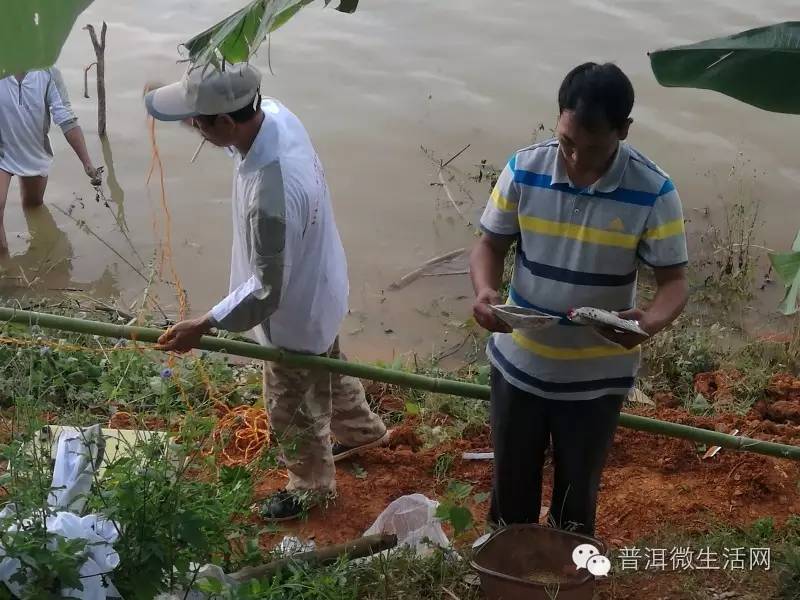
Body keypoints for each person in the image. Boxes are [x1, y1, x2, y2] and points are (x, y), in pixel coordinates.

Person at [144, 63, 388, 521]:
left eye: (199, 121)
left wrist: (206, 322)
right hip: (324, 283)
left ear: (225, 123)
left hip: (292, 314)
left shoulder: (269, 200)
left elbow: (265, 293)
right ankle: (362, 431)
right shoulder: (275, 115)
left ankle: (312, 488)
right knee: (328, 365)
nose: (195, 128)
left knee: (290, 407)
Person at [470, 62, 689, 536]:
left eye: (593, 148)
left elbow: (674, 283)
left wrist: (647, 323)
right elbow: (489, 244)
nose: (577, 160)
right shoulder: (524, 169)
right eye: (567, 142)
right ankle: (509, 563)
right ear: (559, 120)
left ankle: (566, 571)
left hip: (597, 379)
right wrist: (486, 292)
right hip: (519, 366)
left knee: (576, 499)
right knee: (510, 491)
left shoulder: (654, 191)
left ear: (623, 130)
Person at [0, 68, 101, 255]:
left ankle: (39, 252)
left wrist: (87, 163)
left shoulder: (48, 73)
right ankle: (6, 267)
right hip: (2, 152)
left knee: (33, 205)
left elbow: (66, 119)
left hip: (34, 151)